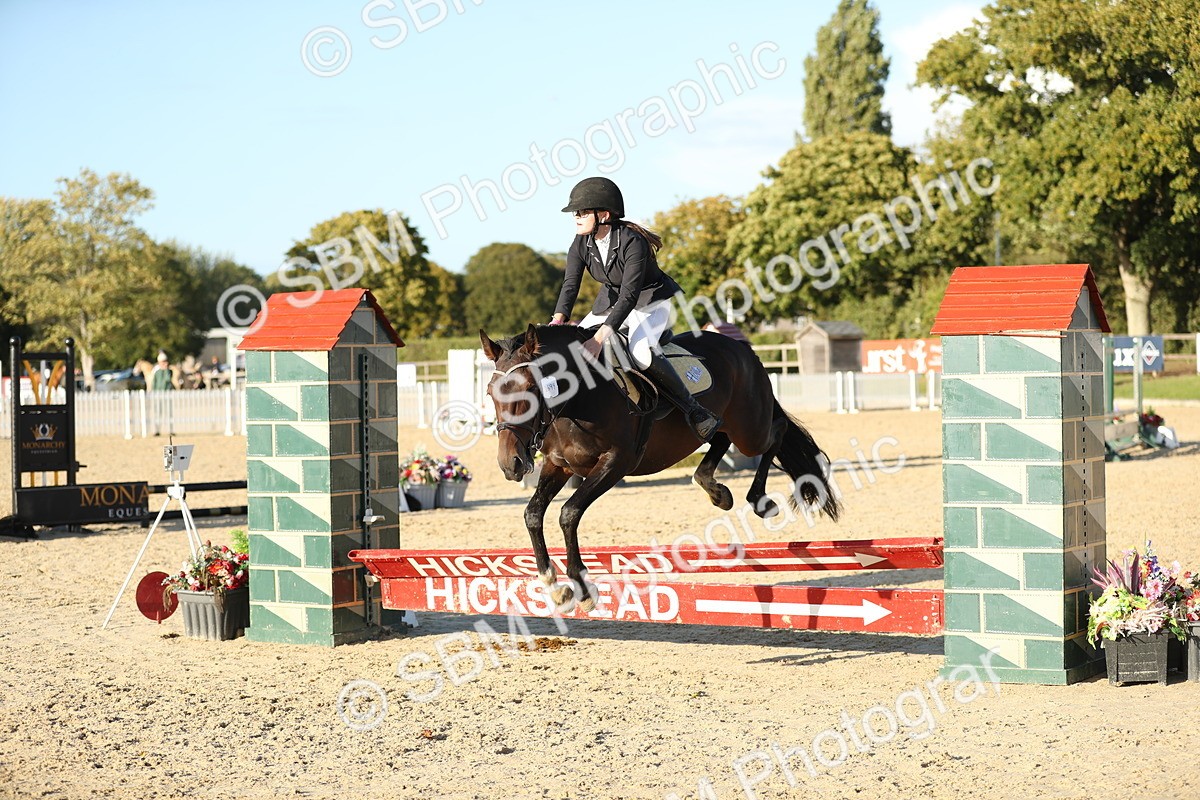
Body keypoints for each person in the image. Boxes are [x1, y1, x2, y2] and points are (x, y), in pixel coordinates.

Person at [550, 176, 721, 441]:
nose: (576, 216)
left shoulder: (632, 241)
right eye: (576, 212)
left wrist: (598, 339)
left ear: (604, 214)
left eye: (583, 211)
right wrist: (557, 322)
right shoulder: (581, 243)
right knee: (573, 346)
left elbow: (629, 296)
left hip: (649, 303)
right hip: (609, 303)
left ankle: (695, 410)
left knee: (640, 352)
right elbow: (570, 285)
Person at [150, 351, 174, 436]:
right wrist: (154, 392)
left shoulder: (169, 371)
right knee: (157, 412)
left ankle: (170, 430)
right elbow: (154, 383)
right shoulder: (157, 372)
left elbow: (168, 380)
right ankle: (157, 430)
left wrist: (166, 370)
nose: (163, 364)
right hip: (158, 394)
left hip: (167, 394)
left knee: (168, 412)